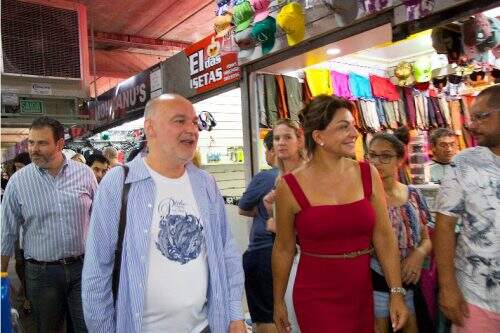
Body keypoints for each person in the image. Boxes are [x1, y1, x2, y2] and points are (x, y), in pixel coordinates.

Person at [82, 94, 246, 333]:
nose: (191, 129)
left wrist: (234, 314)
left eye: (193, 122)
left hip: (206, 327)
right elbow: (97, 269)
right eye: (179, 121)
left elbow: (226, 252)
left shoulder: (206, 184)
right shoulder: (120, 183)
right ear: (150, 128)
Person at [272, 95, 409, 333]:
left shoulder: (368, 174)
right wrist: (278, 302)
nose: (355, 133)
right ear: (318, 137)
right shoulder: (289, 186)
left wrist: (396, 291)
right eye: (344, 127)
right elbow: (283, 249)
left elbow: (385, 238)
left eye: (353, 125)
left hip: (360, 292)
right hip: (315, 297)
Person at [1, 116, 97, 333]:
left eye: (42, 143)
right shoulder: (18, 182)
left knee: (87, 327)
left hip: (83, 269)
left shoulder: (84, 174)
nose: (34, 149)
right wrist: (1, 276)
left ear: (60, 144)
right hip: (42, 274)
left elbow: (99, 220)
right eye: (31, 142)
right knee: (48, 329)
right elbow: (6, 230)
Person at [433, 84, 500, 332]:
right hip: (476, 296)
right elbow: (445, 225)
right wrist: (448, 286)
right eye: (472, 118)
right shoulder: (463, 163)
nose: (472, 125)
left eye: (481, 117)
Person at [367, 133, 433, 333]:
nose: (378, 162)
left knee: (411, 324)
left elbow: (426, 239)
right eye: (372, 155)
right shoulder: (363, 197)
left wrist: (418, 255)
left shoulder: (413, 194)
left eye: (385, 156)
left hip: (408, 277)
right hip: (375, 276)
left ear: (399, 159)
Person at [239, 130, 279, 333]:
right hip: (285, 251)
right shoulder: (302, 175)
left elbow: (243, 207)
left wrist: (261, 211)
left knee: (264, 316)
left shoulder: (266, 177)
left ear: (273, 150)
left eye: (266, 150)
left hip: (262, 250)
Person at [12, 152, 32, 314]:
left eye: (21, 167)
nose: (18, 170)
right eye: (16, 167)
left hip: (32, 237)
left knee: (28, 266)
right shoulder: (15, 183)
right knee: (20, 265)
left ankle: (27, 296)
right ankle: (26, 292)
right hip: (18, 235)